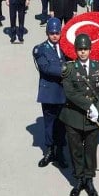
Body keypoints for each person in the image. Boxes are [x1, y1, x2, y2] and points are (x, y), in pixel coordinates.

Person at [60, 34, 99, 196]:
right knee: (76, 151)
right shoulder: (69, 68)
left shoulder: (98, 67)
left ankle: (89, 180)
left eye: (85, 49)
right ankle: (78, 180)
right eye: (80, 49)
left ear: (90, 49)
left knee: (90, 150)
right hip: (73, 117)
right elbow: (70, 92)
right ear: (76, 50)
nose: (82, 52)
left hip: (92, 119)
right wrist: (89, 106)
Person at [33, 18, 67, 169]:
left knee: (62, 124)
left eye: (57, 33)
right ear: (47, 33)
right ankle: (49, 151)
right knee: (49, 124)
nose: (54, 36)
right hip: (49, 92)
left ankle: (60, 152)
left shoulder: (67, 47)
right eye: (52, 33)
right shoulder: (40, 49)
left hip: (64, 92)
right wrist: (67, 70)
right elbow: (45, 68)